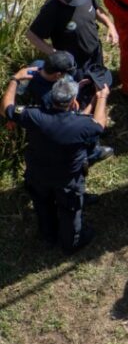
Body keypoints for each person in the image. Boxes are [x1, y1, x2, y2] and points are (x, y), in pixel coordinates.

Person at [4, 71, 108, 252]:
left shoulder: (34, 116)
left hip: (38, 174)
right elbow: (99, 124)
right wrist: (102, 98)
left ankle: (48, 235)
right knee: (70, 211)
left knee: (42, 204)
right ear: (73, 101)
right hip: (67, 180)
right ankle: (71, 243)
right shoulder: (81, 125)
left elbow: (7, 108)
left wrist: (15, 79)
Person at [26, 0, 116, 91]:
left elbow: (97, 9)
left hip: (95, 51)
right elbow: (32, 35)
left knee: (97, 80)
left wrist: (110, 25)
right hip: (74, 62)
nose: (78, 2)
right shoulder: (52, 8)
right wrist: (55, 54)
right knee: (79, 90)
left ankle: (97, 94)